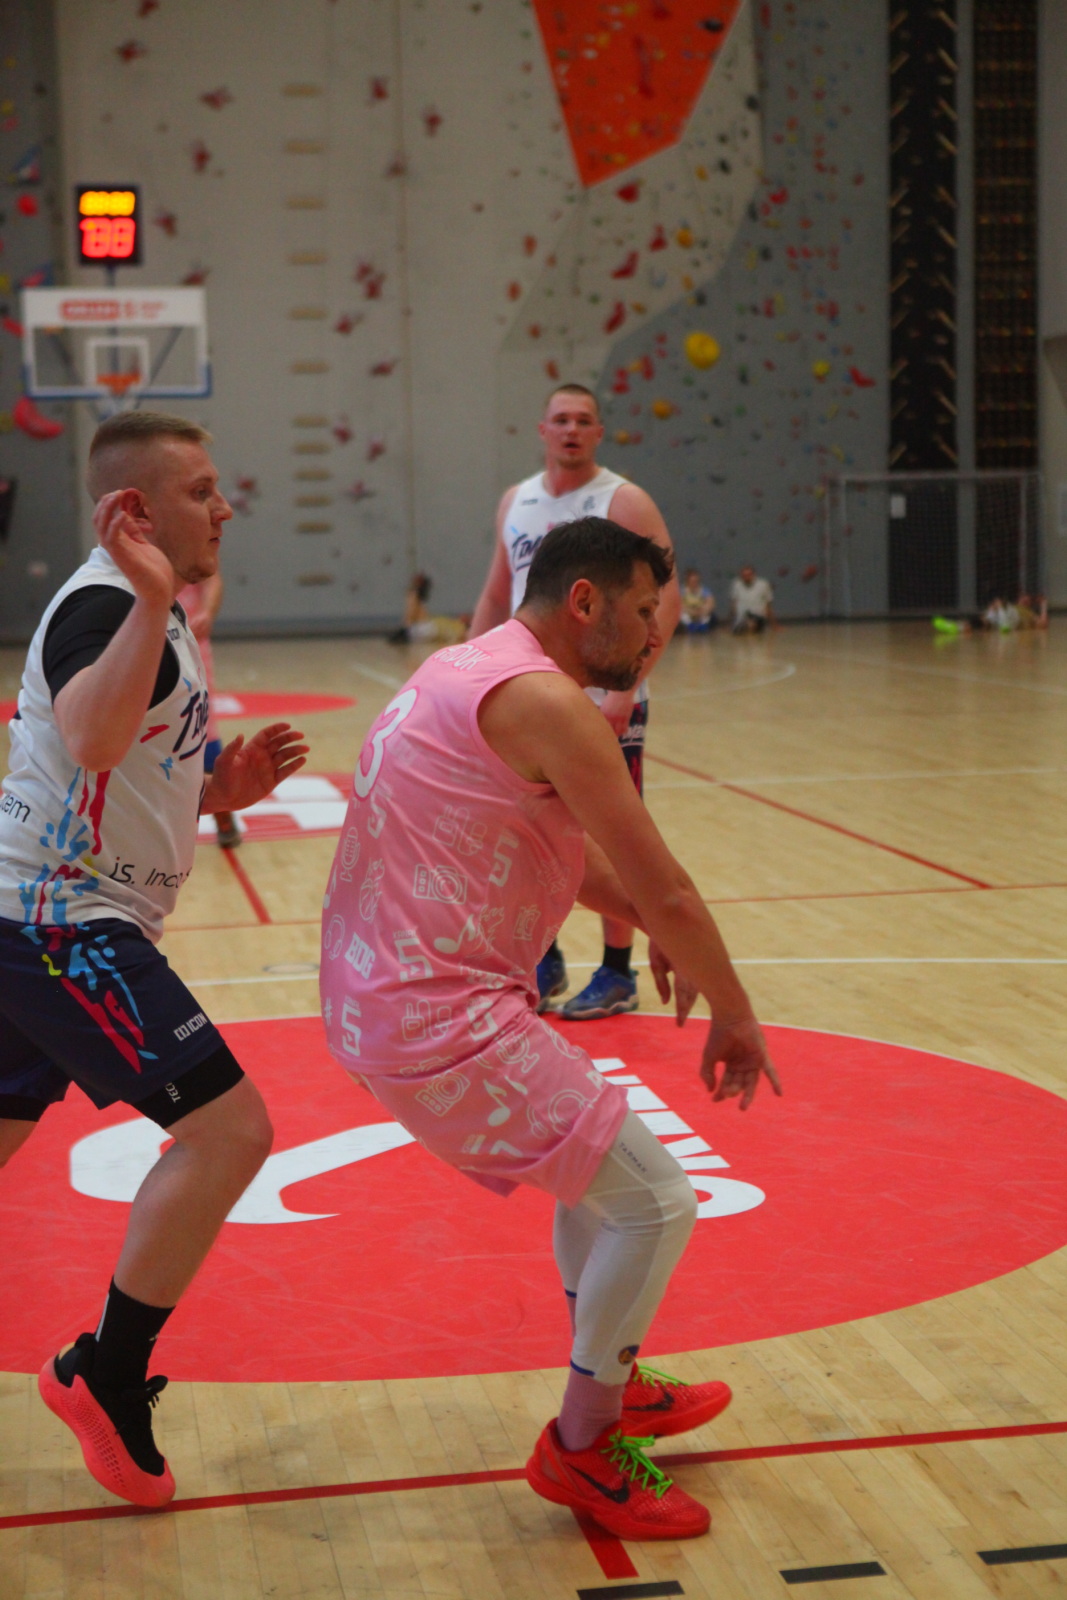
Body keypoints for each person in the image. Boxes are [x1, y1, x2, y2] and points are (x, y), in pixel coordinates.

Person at [321, 518, 780, 1541]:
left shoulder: (469, 665)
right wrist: (734, 1012)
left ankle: (610, 1371)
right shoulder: (547, 702)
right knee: (655, 1203)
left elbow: (563, 862)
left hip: (378, 998)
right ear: (584, 603)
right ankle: (584, 1444)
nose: (656, 634)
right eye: (645, 612)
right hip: (436, 1018)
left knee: (595, 1172)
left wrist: (647, 922)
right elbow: (666, 885)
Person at [0, 411, 307, 1509]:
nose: (224, 506)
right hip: (61, 925)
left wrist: (220, 790)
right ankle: (106, 1374)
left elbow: (120, 764)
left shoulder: (150, 611)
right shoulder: (108, 604)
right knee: (230, 1130)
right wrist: (143, 593)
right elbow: (89, 735)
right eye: (201, 489)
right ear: (133, 510)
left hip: (37, 918)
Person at [469, 383, 682, 1021]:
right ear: (542, 429)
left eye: (583, 420)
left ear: (598, 433)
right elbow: (497, 594)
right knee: (528, 830)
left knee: (613, 833)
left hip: (601, 694)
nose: (571, 429)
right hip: (527, 698)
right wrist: (466, 672)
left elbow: (665, 599)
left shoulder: (624, 500)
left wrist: (627, 687)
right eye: (560, 419)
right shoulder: (516, 500)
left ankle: (617, 971)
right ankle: (544, 956)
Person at [176, 572, 239, 847]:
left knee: (204, 730)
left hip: (192, 641)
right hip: (147, 639)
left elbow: (213, 578)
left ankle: (223, 815)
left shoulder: (195, 547)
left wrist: (206, 613)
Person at [388, 571, 469, 646]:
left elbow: (410, 614)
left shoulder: (413, 595)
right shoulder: (419, 597)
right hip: (426, 627)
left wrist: (406, 627)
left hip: (420, 629)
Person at [729, 563, 776, 633]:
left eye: (748, 575)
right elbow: (733, 606)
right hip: (742, 617)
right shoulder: (736, 585)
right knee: (741, 628)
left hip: (758, 616)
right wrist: (728, 625)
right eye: (744, 575)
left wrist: (774, 625)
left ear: (754, 574)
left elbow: (768, 606)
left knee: (751, 624)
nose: (746, 577)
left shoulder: (763, 584)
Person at [678, 567, 717, 632]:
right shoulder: (682, 591)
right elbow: (679, 604)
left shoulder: (704, 590)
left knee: (708, 616)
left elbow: (711, 603)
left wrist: (703, 610)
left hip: (701, 613)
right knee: (682, 614)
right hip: (688, 613)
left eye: (696, 581)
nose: (694, 583)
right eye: (692, 581)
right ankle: (690, 627)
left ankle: (702, 626)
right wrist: (691, 611)